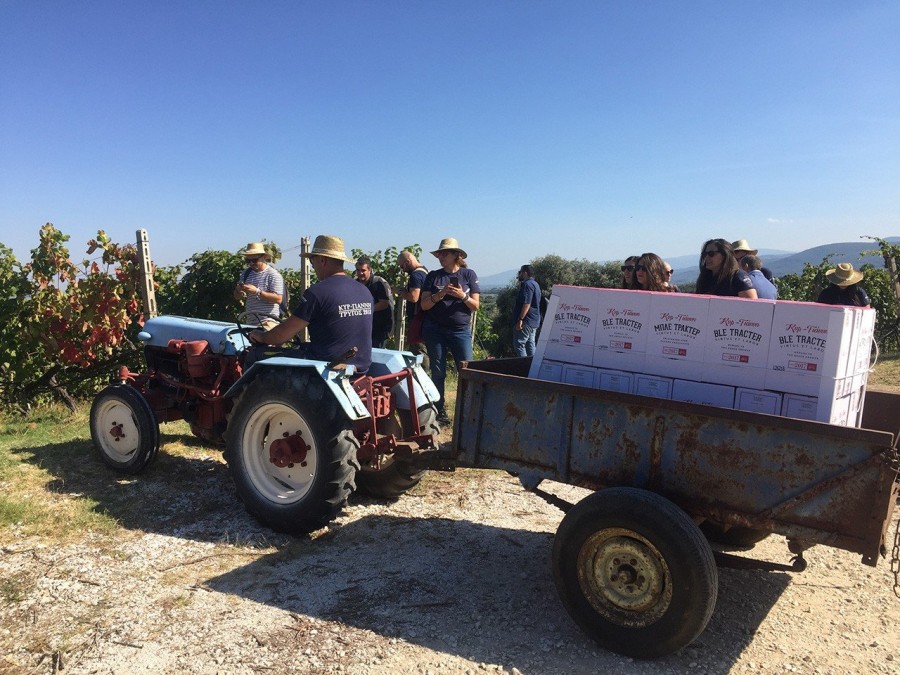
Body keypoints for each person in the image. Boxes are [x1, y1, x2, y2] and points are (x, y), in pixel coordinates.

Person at [248, 235, 374, 373]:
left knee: (256, 355)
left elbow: (281, 336)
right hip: (360, 368)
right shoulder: (364, 291)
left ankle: (240, 394)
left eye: (312, 262)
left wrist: (261, 336)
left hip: (327, 366)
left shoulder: (318, 292)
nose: (312, 266)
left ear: (322, 260)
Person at [420, 237, 480, 423]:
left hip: (460, 330)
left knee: (467, 370)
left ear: (456, 255)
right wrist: (441, 294)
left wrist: (462, 296)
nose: (440, 256)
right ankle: (439, 413)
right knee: (438, 372)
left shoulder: (468, 275)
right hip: (434, 330)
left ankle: (468, 412)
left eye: (444, 253)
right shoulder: (433, 276)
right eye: (439, 253)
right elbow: (424, 305)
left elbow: (475, 305)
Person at [234, 242, 285, 329]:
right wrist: (239, 290)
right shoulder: (245, 273)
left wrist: (256, 291)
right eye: (248, 261)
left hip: (268, 322)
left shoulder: (273, 275)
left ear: (264, 257)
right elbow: (237, 297)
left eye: (254, 260)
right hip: (250, 322)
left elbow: (278, 299)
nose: (251, 263)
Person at [355, 256, 395, 348]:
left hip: (379, 329)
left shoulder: (378, 283)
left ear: (370, 270)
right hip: (362, 330)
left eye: (363, 270)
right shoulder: (355, 284)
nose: (360, 273)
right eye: (358, 270)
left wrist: (363, 310)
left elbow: (384, 304)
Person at [395, 250, 428, 350]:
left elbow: (414, 297)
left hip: (417, 319)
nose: (403, 270)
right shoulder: (424, 271)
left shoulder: (415, 275)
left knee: (418, 351)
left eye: (402, 266)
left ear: (408, 262)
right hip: (424, 317)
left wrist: (399, 292)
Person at [513, 264, 542, 357]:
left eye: (520, 272)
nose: (519, 274)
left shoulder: (527, 284)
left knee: (519, 344)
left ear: (525, 273)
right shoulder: (535, 284)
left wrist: (520, 319)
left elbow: (527, 303)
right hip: (534, 320)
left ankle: (524, 367)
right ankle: (532, 367)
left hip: (527, 320)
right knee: (530, 344)